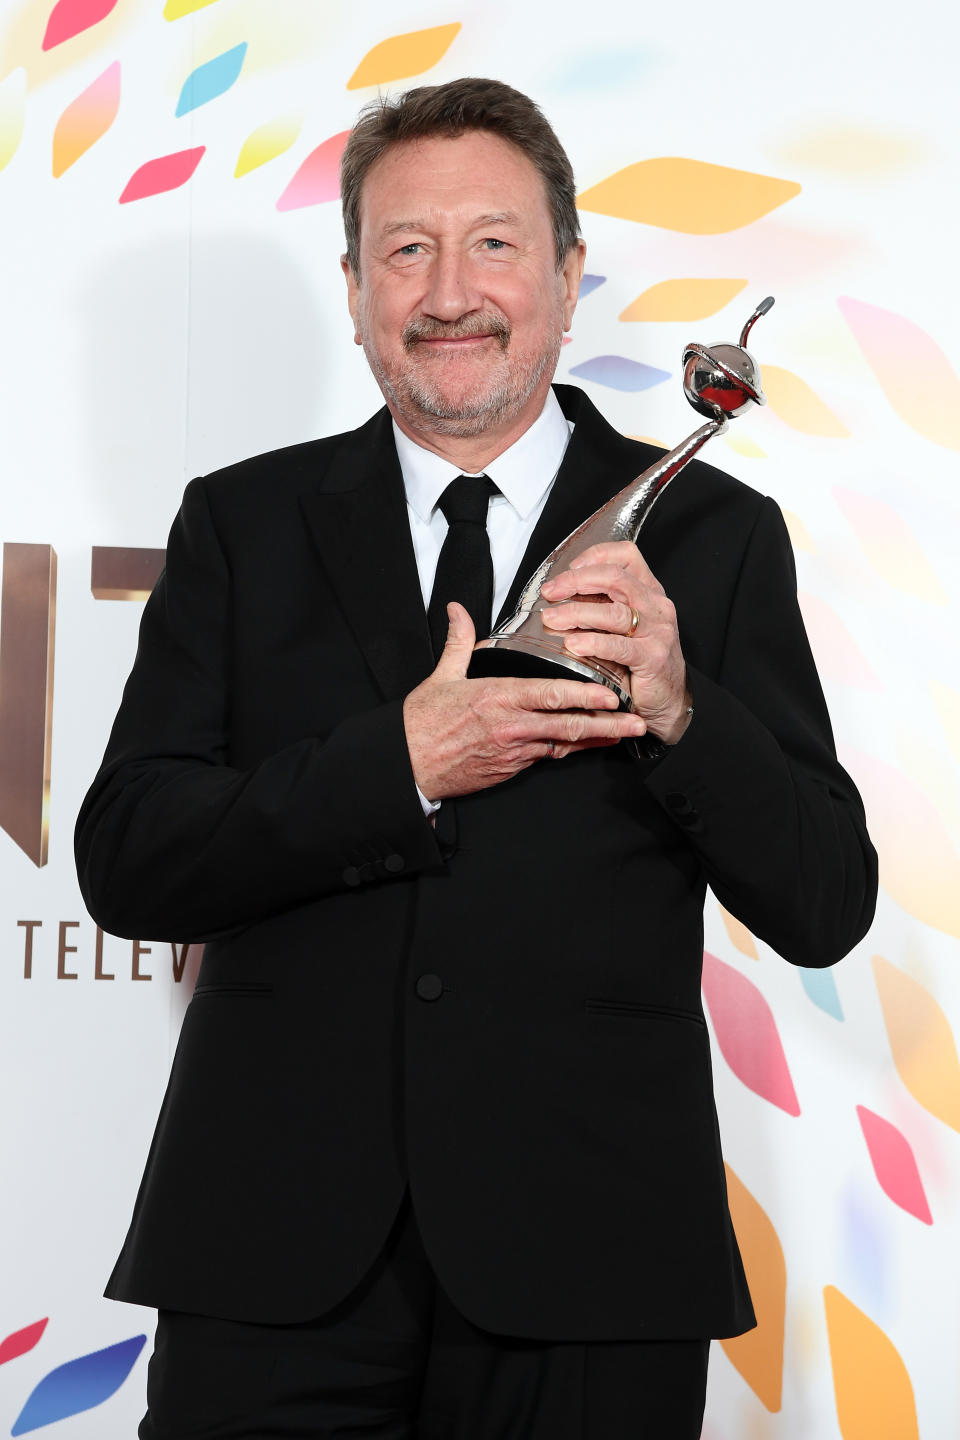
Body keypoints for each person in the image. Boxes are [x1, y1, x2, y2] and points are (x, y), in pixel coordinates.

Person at [75, 77, 877, 1439]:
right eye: (407, 249)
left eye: (494, 244)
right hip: (270, 1261)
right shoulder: (240, 523)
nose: (452, 292)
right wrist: (395, 764)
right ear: (355, 287)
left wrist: (683, 709)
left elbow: (821, 900)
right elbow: (133, 858)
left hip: (591, 1261)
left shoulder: (713, 536)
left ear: (567, 276)